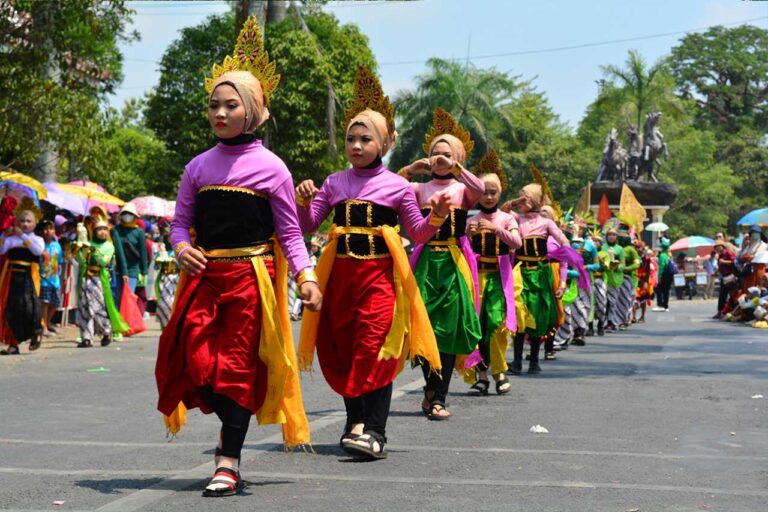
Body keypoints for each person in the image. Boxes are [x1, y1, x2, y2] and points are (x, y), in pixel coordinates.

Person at [155, 16, 320, 497]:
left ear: (253, 111)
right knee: (197, 361)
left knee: (235, 369)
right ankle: (227, 444)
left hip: (253, 279)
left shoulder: (272, 168)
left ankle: (228, 460)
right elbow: (179, 224)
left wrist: (306, 277)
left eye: (232, 105)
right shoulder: (197, 166)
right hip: (204, 279)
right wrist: (183, 248)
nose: (221, 113)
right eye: (214, 105)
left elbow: (290, 232)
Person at [295, 67, 446, 458]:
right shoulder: (333, 182)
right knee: (344, 349)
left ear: (385, 142)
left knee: (375, 348)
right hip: (340, 280)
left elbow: (417, 233)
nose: (357, 145)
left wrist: (437, 217)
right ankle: (354, 423)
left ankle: (375, 431)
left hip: (380, 280)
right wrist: (301, 201)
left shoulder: (398, 186)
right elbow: (309, 225)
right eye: (351, 139)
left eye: (366, 139)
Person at [400, 108, 484, 419]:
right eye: (435, 152)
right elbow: (386, 189)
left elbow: (480, 190)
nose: (440, 157)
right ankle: (429, 387)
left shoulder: (463, 188)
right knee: (423, 329)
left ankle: (439, 397)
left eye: (447, 153)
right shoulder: (418, 188)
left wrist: (457, 167)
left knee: (448, 331)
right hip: (423, 262)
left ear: (458, 156)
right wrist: (411, 168)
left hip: (453, 262)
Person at [465, 150, 520, 395]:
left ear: (500, 194)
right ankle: (482, 375)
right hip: (475, 279)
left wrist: (495, 229)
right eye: (483, 192)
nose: (488, 197)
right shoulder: (470, 220)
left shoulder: (507, 219)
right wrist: (468, 236)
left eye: (493, 192)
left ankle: (500, 372)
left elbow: (516, 244)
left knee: (497, 325)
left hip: (499, 279)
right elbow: (460, 248)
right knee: (476, 326)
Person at [502, 184, 569, 374]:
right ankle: (516, 362)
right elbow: (503, 211)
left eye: (525, 198)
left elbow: (564, 243)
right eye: (519, 197)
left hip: (540, 275)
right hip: (520, 275)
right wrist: (515, 202)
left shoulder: (546, 223)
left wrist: (563, 282)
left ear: (534, 201)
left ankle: (534, 362)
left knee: (538, 318)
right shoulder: (516, 219)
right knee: (520, 318)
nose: (521, 201)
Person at [75, 213, 129, 347]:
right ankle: (86, 338)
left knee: (99, 307)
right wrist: (80, 250)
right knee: (85, 307)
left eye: (105, 229)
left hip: (99, 279)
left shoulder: (109, 246)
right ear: (93, 231)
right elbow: (82, 262)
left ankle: (106, 332)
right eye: (99, 229)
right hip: (86, 278)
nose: (102, 232)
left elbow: (104, 262)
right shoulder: (89, 243)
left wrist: (93, 250)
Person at [0, 198, 44, 355]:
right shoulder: (12, 239)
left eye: (28, 221)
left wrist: (24, 238)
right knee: (11, 309)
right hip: (12, 277)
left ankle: (36, 333)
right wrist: (4, 236)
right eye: (22, 221)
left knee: (31, 308)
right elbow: (2, 250)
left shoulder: (37, 239)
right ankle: (13, 344)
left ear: (35, 223)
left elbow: (37, 251)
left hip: (29, 277)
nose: (25, 224)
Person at [111, 202, 147, 310]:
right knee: (118, 298)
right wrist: (124, 271)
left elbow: (143, 252)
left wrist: (144, 271)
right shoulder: (115, 230)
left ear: (135, 216)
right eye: (125, 213)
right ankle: (119, 323)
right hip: (118, 268)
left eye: (130, 214)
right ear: (121, 215)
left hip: (133, 268)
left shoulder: (139, 232)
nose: (127, 216)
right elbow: (119, 251)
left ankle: (127, 322)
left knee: (129, 296)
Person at [38, 219, 63, 336]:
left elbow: (60, 261)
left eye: (50, 228)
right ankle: (43, 327)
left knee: (55, 303)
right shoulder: (39, 245)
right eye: (45, 229)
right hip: (44, 279)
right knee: (45, 303)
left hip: (55, 279)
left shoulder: (57, 245)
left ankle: (47, 322)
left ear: (54, 231)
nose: (48, 231)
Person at [602, 225, 625, 330]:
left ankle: (611, 320)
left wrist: (616, 267)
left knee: (612, 301)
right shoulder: (602, 247)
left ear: (617, 237)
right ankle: (603, 320)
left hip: (615, 278)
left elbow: (622, 264)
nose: (611, 236)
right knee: (603, 301)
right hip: (604, 276)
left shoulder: (620, 249)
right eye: (610, 234)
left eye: (614, 235)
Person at [618, 226, 640, 329]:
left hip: (630, 277)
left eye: (623, 236)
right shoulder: (616, 248)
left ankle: (627, 318)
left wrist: (626, 268)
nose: (621, 238)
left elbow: (637, 264)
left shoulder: (631, 250)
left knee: (628, 299)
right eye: (619, 236)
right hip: (616, 277)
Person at [713, 237, 736, 319]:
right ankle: (720, 311)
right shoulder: (720, 256)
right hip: (723, 277)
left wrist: (724, 262)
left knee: (732, 295)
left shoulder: (728, 253)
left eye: (719, 246)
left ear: (722, 246)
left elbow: (734, 262)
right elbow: (720, 266)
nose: (717, 248)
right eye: (716, 247)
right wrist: (715, 273)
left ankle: (732, 311)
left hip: (730, 276)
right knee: (722, 295)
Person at [632, 240, 653, 323]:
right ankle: (633, 316)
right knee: (634, 299)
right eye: (637, 248)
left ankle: (642, 316)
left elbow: (648, 271)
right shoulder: (633, 257)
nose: (638, 249)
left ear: (643, 249)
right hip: (635, 278)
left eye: (640, 248)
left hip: (644, 279)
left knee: (643, 299)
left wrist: (645, 282)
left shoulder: (647, 259)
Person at [653, 240, 673, 312]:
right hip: (669, 275)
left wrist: (659, 277)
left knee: (659, 289)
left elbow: (661, 267)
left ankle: (660, 305)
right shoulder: (668, 255)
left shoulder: (662, 255)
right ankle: (666, 306)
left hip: (664, 274)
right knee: (666, 291)